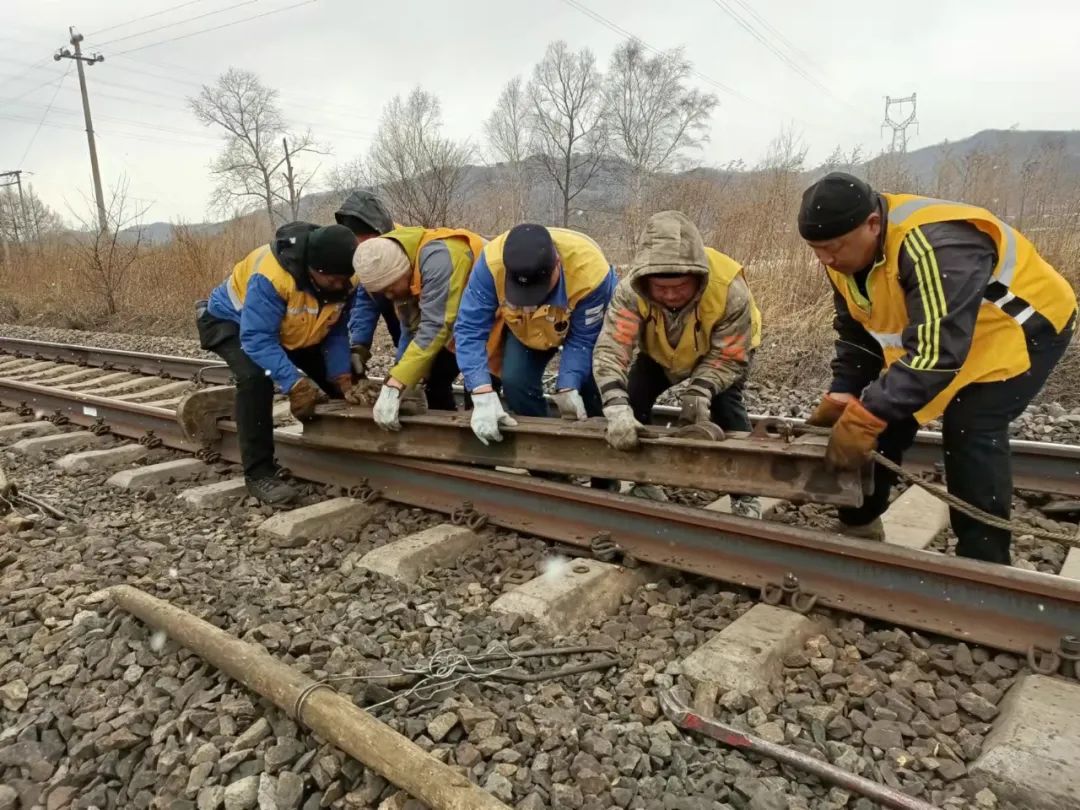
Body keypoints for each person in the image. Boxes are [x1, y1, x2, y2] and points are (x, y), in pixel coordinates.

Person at [798, 172, 1076, 563]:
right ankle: (859, 522)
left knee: (971, 426)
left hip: (1018, 327)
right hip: (945, 336)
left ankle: (984, 563)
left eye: (833, 248)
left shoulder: (935, 245)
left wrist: (867, 414)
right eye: (816, 249)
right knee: (882, 418)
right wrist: (845, 390)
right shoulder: (844, 254)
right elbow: (858, 330)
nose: (825, 258)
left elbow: (937, 354)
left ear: (873, 224)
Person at [592, 211, 764, 516]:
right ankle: (640, 479)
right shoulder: (630, 292)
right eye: (661, 288)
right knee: (634, 400)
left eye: (680, 287)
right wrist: (615, 405)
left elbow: (729, 355)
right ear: (646, 282)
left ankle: (746, 493)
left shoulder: (729, 291)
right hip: (660, 352)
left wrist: (701, 389)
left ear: (697, 277)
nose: (671, 295)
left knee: (727, 410)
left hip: (719, 354)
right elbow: (612, 348)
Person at [196, 222, 358, 505]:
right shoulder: (270, 276)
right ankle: (259, 474)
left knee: (345, 382)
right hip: (232, 323)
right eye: (334, 281)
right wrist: (293, 382)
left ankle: (347, 444)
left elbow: (335, 331)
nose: (341, 286)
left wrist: (342, 376)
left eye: (345, 279)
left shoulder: (344, 277)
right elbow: (257, 338)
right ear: (314, 271)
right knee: (256, 379)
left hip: (290, 328)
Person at [453, 223, 618, 446]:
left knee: (590, 387)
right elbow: (470, 328)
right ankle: (545, 451)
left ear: (557, 265)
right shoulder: (491, 264)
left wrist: (568, 383)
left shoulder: (591, 272)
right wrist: (481, 391)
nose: (532, 302)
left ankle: (602, 465)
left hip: (577, 325)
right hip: (525, 331)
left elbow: (583, 339)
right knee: (515, 382)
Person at [351, 226, 486, 429]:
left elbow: (435, 326)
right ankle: (446, 439)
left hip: (493, 320)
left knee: (479, 390)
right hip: (458, 320)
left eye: (389, 288)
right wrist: (403, 377)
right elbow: (413, 329)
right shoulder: (398, 263)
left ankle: (482, 453)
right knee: (436, 380)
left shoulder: (439, 262)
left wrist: (396, 383)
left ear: (402, 271)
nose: (388, 296)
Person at [334, 189, 401, 377]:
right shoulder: (362, 253)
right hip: (398, 320)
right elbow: (367, 297)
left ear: (377, 232)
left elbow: (421, 324)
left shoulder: (402, 249)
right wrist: (359, 345)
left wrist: (407, 368)